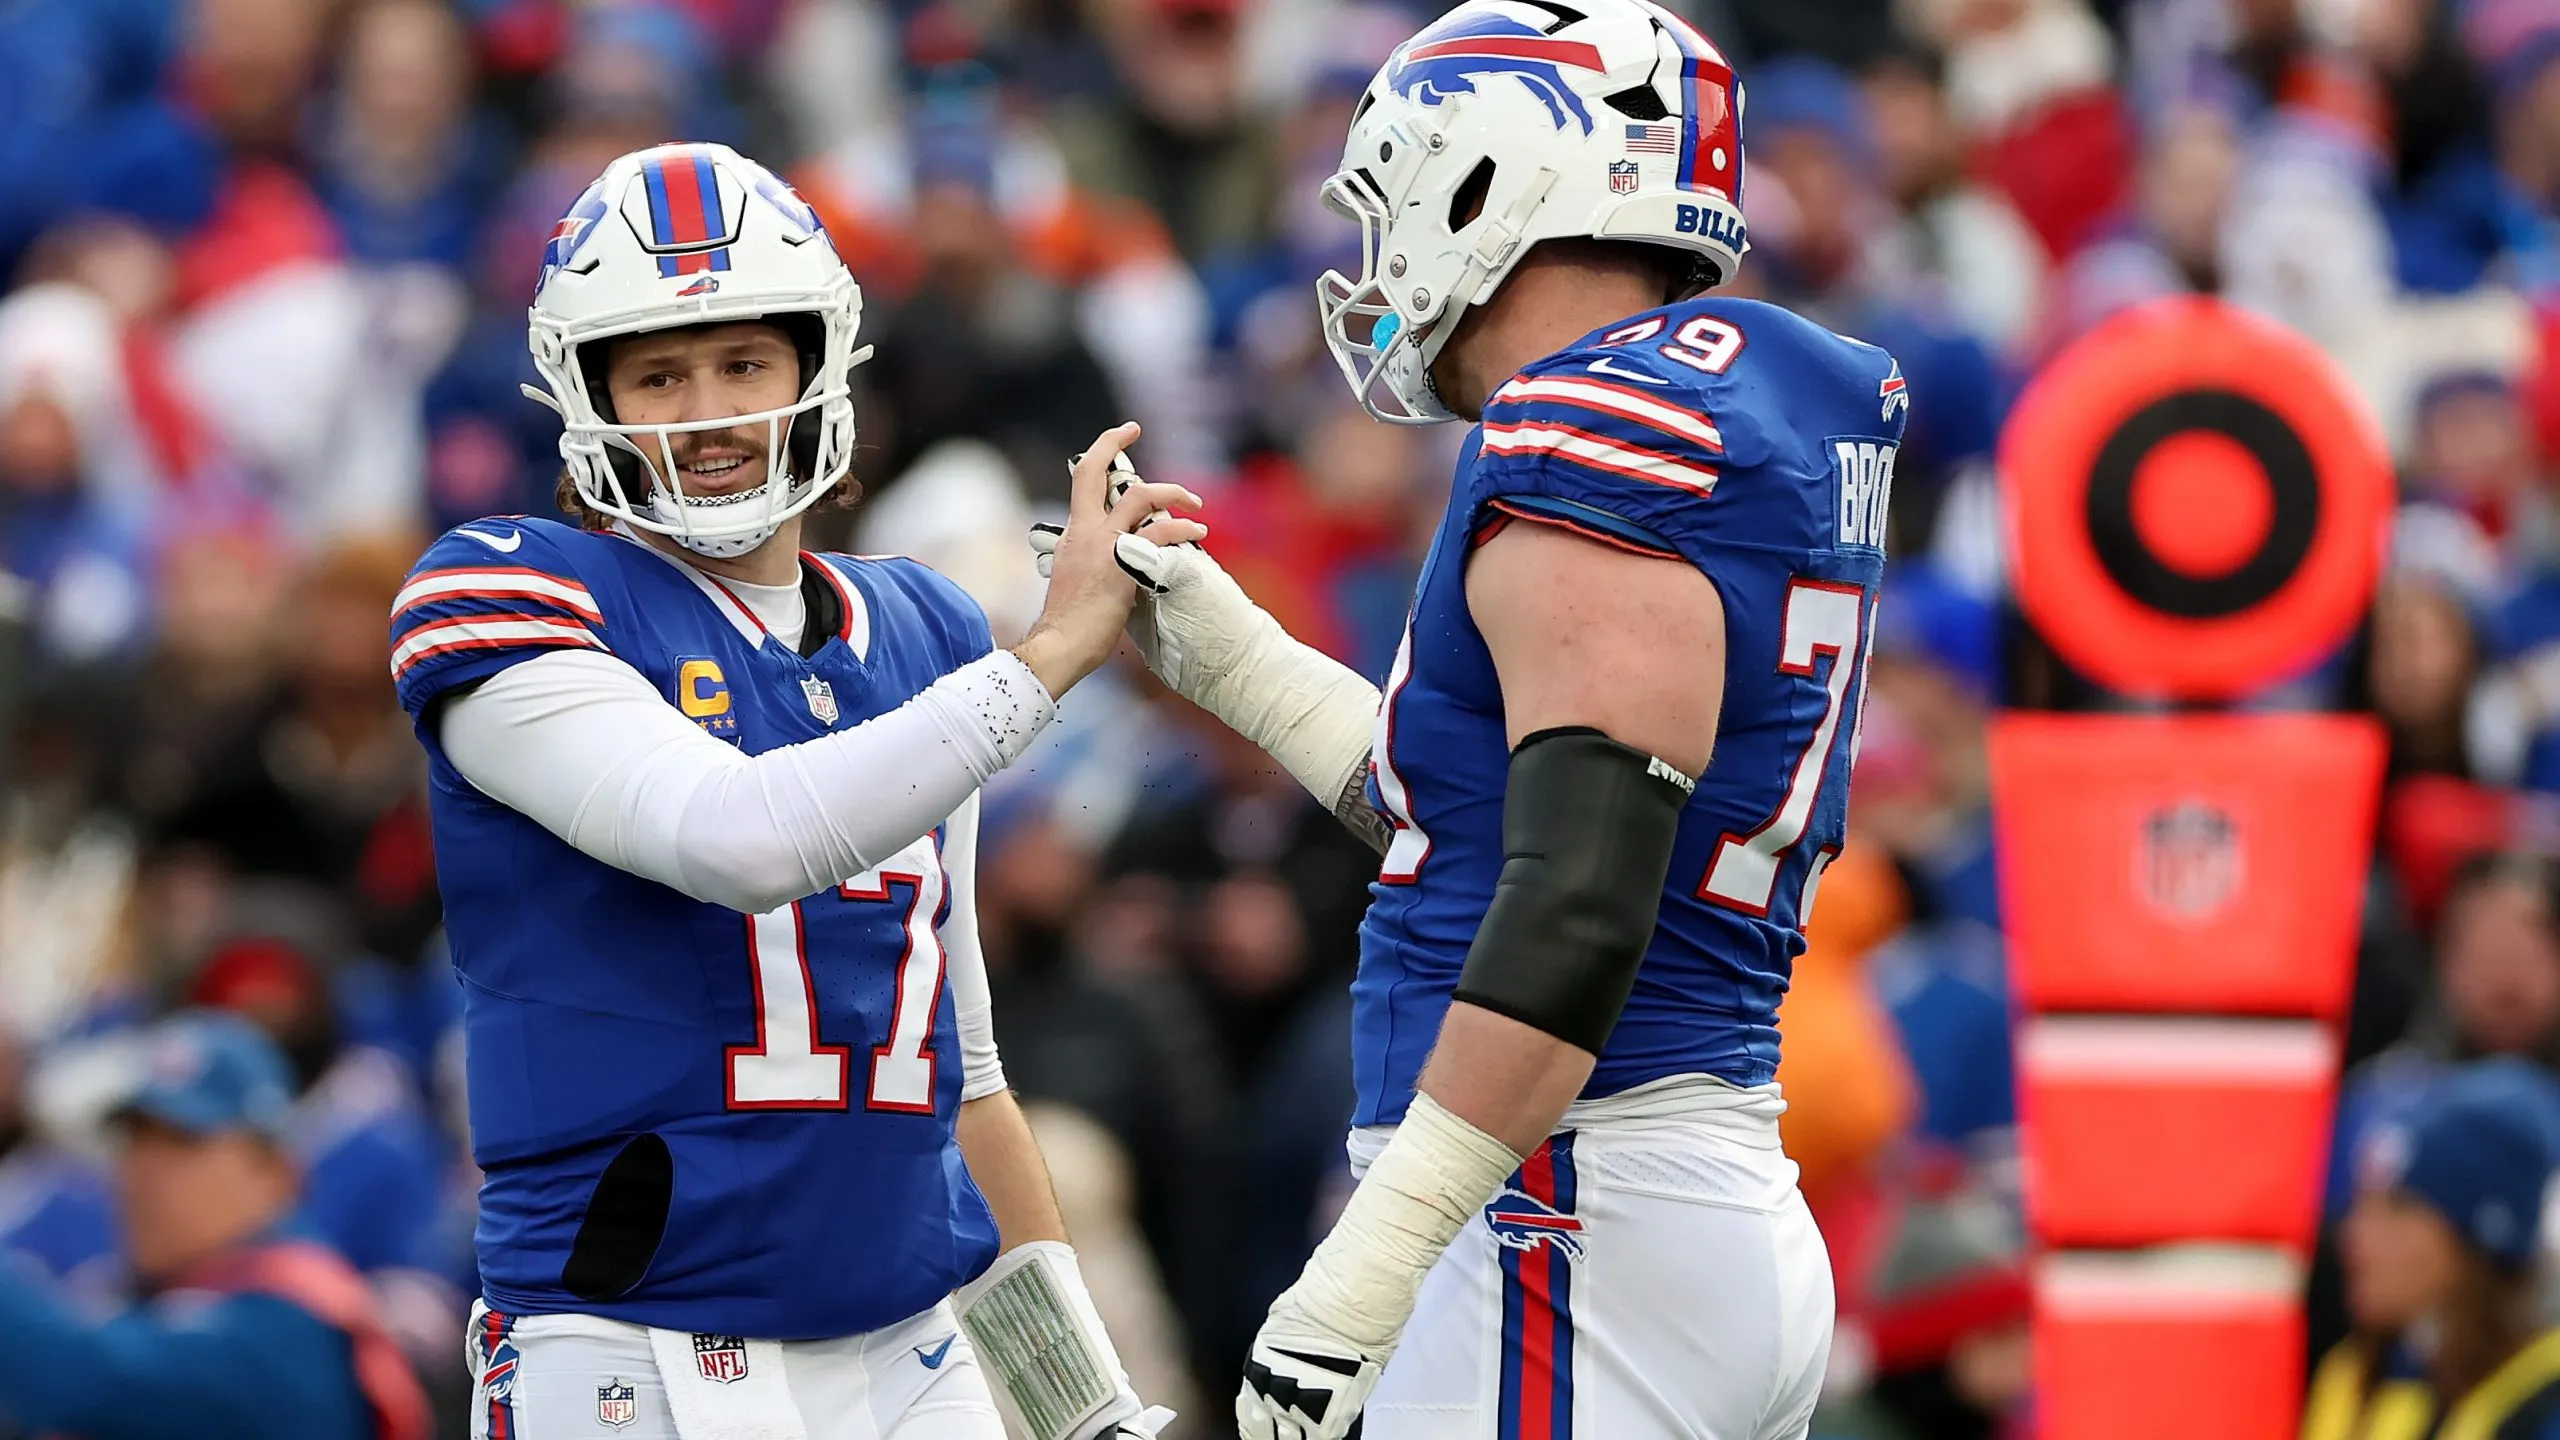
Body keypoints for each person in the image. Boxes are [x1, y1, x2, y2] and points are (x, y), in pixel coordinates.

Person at [1042, 3, 1897, 1435]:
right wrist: (1236, 656)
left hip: (1565, 1213)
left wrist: (1362, 1274)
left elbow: (1575, 909)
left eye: (1401, 196)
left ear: (1507, 179)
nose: (1381, 260)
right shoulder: (1744, 411)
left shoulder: (1595, 431)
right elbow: (1482, 819)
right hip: (1667, 1192)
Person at [390, 141, 1196, 1440]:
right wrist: (1048, 659)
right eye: (659, 373)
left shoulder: (927, 629)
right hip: (628, 1357)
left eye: (744, 362)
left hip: (910, 1357)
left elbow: (964, 1076)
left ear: (817, 367)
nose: (709, 409)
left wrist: (1080, 1407)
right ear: (587, 396)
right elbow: (739, 837)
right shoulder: (514, 595)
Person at [0, 1011, 429, 1440]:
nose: (140, 1174)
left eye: (181, 1143)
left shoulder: (288, 1325)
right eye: (135, 1141)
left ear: (273, 1172)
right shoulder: (167, 1287)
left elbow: (80, 1378)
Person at [2308, 1060, 2560, 1439]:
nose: (2355, 1236)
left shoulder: (2542, 1406)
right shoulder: (2357, 1374)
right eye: (2359, 1206)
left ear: (2470, 1240)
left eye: (2397, 1208)